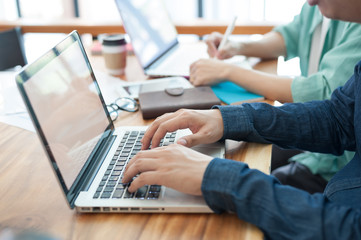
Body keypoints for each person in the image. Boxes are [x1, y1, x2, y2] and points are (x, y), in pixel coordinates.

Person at [121, 0, 361, 237]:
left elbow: (348, 229)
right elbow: (340, 118)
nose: (309, 2)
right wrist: (227, 119)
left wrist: (220, 177)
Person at [191, 2, 361, 194]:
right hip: (324, 137)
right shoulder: (326, 8)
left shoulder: (353, 19)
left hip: (338, 164)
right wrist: (237, 46)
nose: (310, 2)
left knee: (243, 176)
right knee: (233, 150)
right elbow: (291, 35)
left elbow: (322, 95)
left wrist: (228, 71)